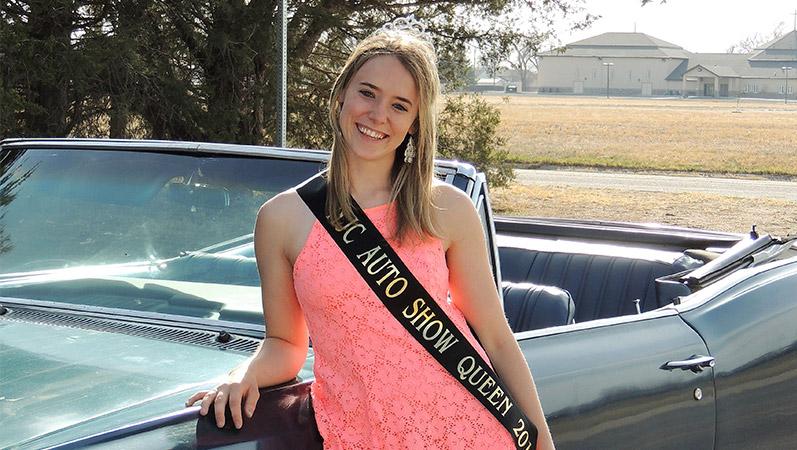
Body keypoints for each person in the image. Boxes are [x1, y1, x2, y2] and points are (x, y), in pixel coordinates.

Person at [186, 17, 555, 450]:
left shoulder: (445, 209)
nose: (378, 115)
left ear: (416, 122)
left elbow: (495, 337)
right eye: (367, 93)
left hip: (473, 432)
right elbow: (285, 343)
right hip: (363, 436)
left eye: (400, 105)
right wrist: (242, 374)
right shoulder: (282, 219)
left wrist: (541, 441)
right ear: (341, 94)